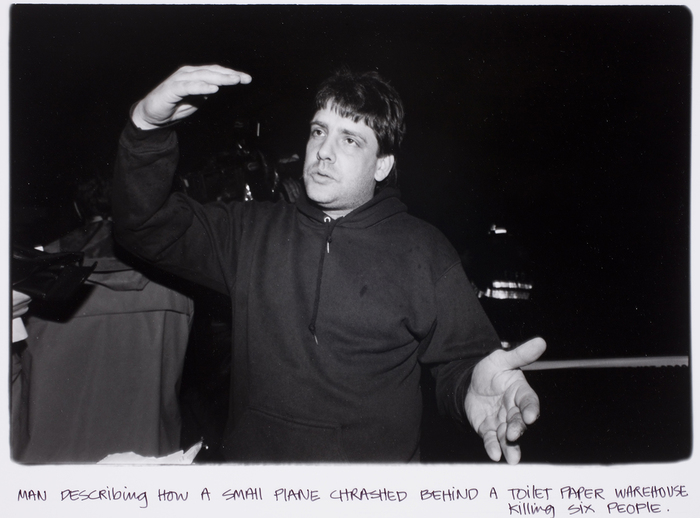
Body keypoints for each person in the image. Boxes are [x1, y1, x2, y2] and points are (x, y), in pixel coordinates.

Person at [112, 64, 546, 463]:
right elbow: (145, 225)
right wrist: (146, 127)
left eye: (350, 139)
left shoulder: (424, 250)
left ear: (382, 165)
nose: (323, 151)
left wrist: (472, 385)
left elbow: (461, 362)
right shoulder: (249, 232)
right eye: (319, 131)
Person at [14, 173, 194, 463]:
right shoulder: (181, 281)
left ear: (78, 208)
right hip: (147, 459)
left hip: (51, 466)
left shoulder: (28, 282)